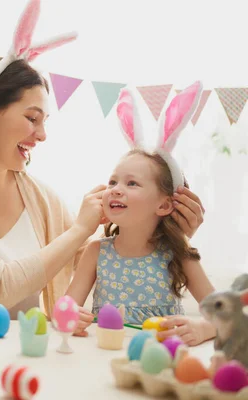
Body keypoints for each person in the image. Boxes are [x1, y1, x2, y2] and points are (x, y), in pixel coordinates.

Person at [0, 0, 205, 319]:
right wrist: (78, 230)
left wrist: (169, 231)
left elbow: (109, 264)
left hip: (32, 354)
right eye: (32, 118)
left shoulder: (43, 200)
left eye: (45, 121)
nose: (42, 134)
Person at [66, 83, 215, 346]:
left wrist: (204, 328)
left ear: (165, 205)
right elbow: (64, 309)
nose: (116, 191)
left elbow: (224, 315)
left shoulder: (178, 254)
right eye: (113, 182)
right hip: (104, 358)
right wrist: (67, 316)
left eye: (131, 183)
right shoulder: (96, 252)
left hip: (159, 362)